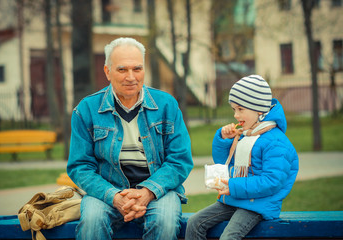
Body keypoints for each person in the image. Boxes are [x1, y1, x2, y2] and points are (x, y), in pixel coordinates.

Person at [67, 37, 193, 240]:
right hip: (106, 191)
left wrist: (148, 192)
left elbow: (180, 161)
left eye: (137, 69)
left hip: (159, 191)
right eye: (122, 69)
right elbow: (80, 167)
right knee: (91, 222)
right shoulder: (86, 110)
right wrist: (114, 196)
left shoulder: (167, 105)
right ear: (107, 71)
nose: (131, 77)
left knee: (165, 221)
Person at [185, 75, 299, 240]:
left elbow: (272, 181)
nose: (236, 115)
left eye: (240, 109)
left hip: (258, 204)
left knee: (229, 236)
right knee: (194, 223)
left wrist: (233, 186)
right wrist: (225, 140)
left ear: (259, 109)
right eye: (234, 110)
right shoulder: (246, 135)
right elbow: (225, 163)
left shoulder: (276, 142)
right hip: (235, 198)